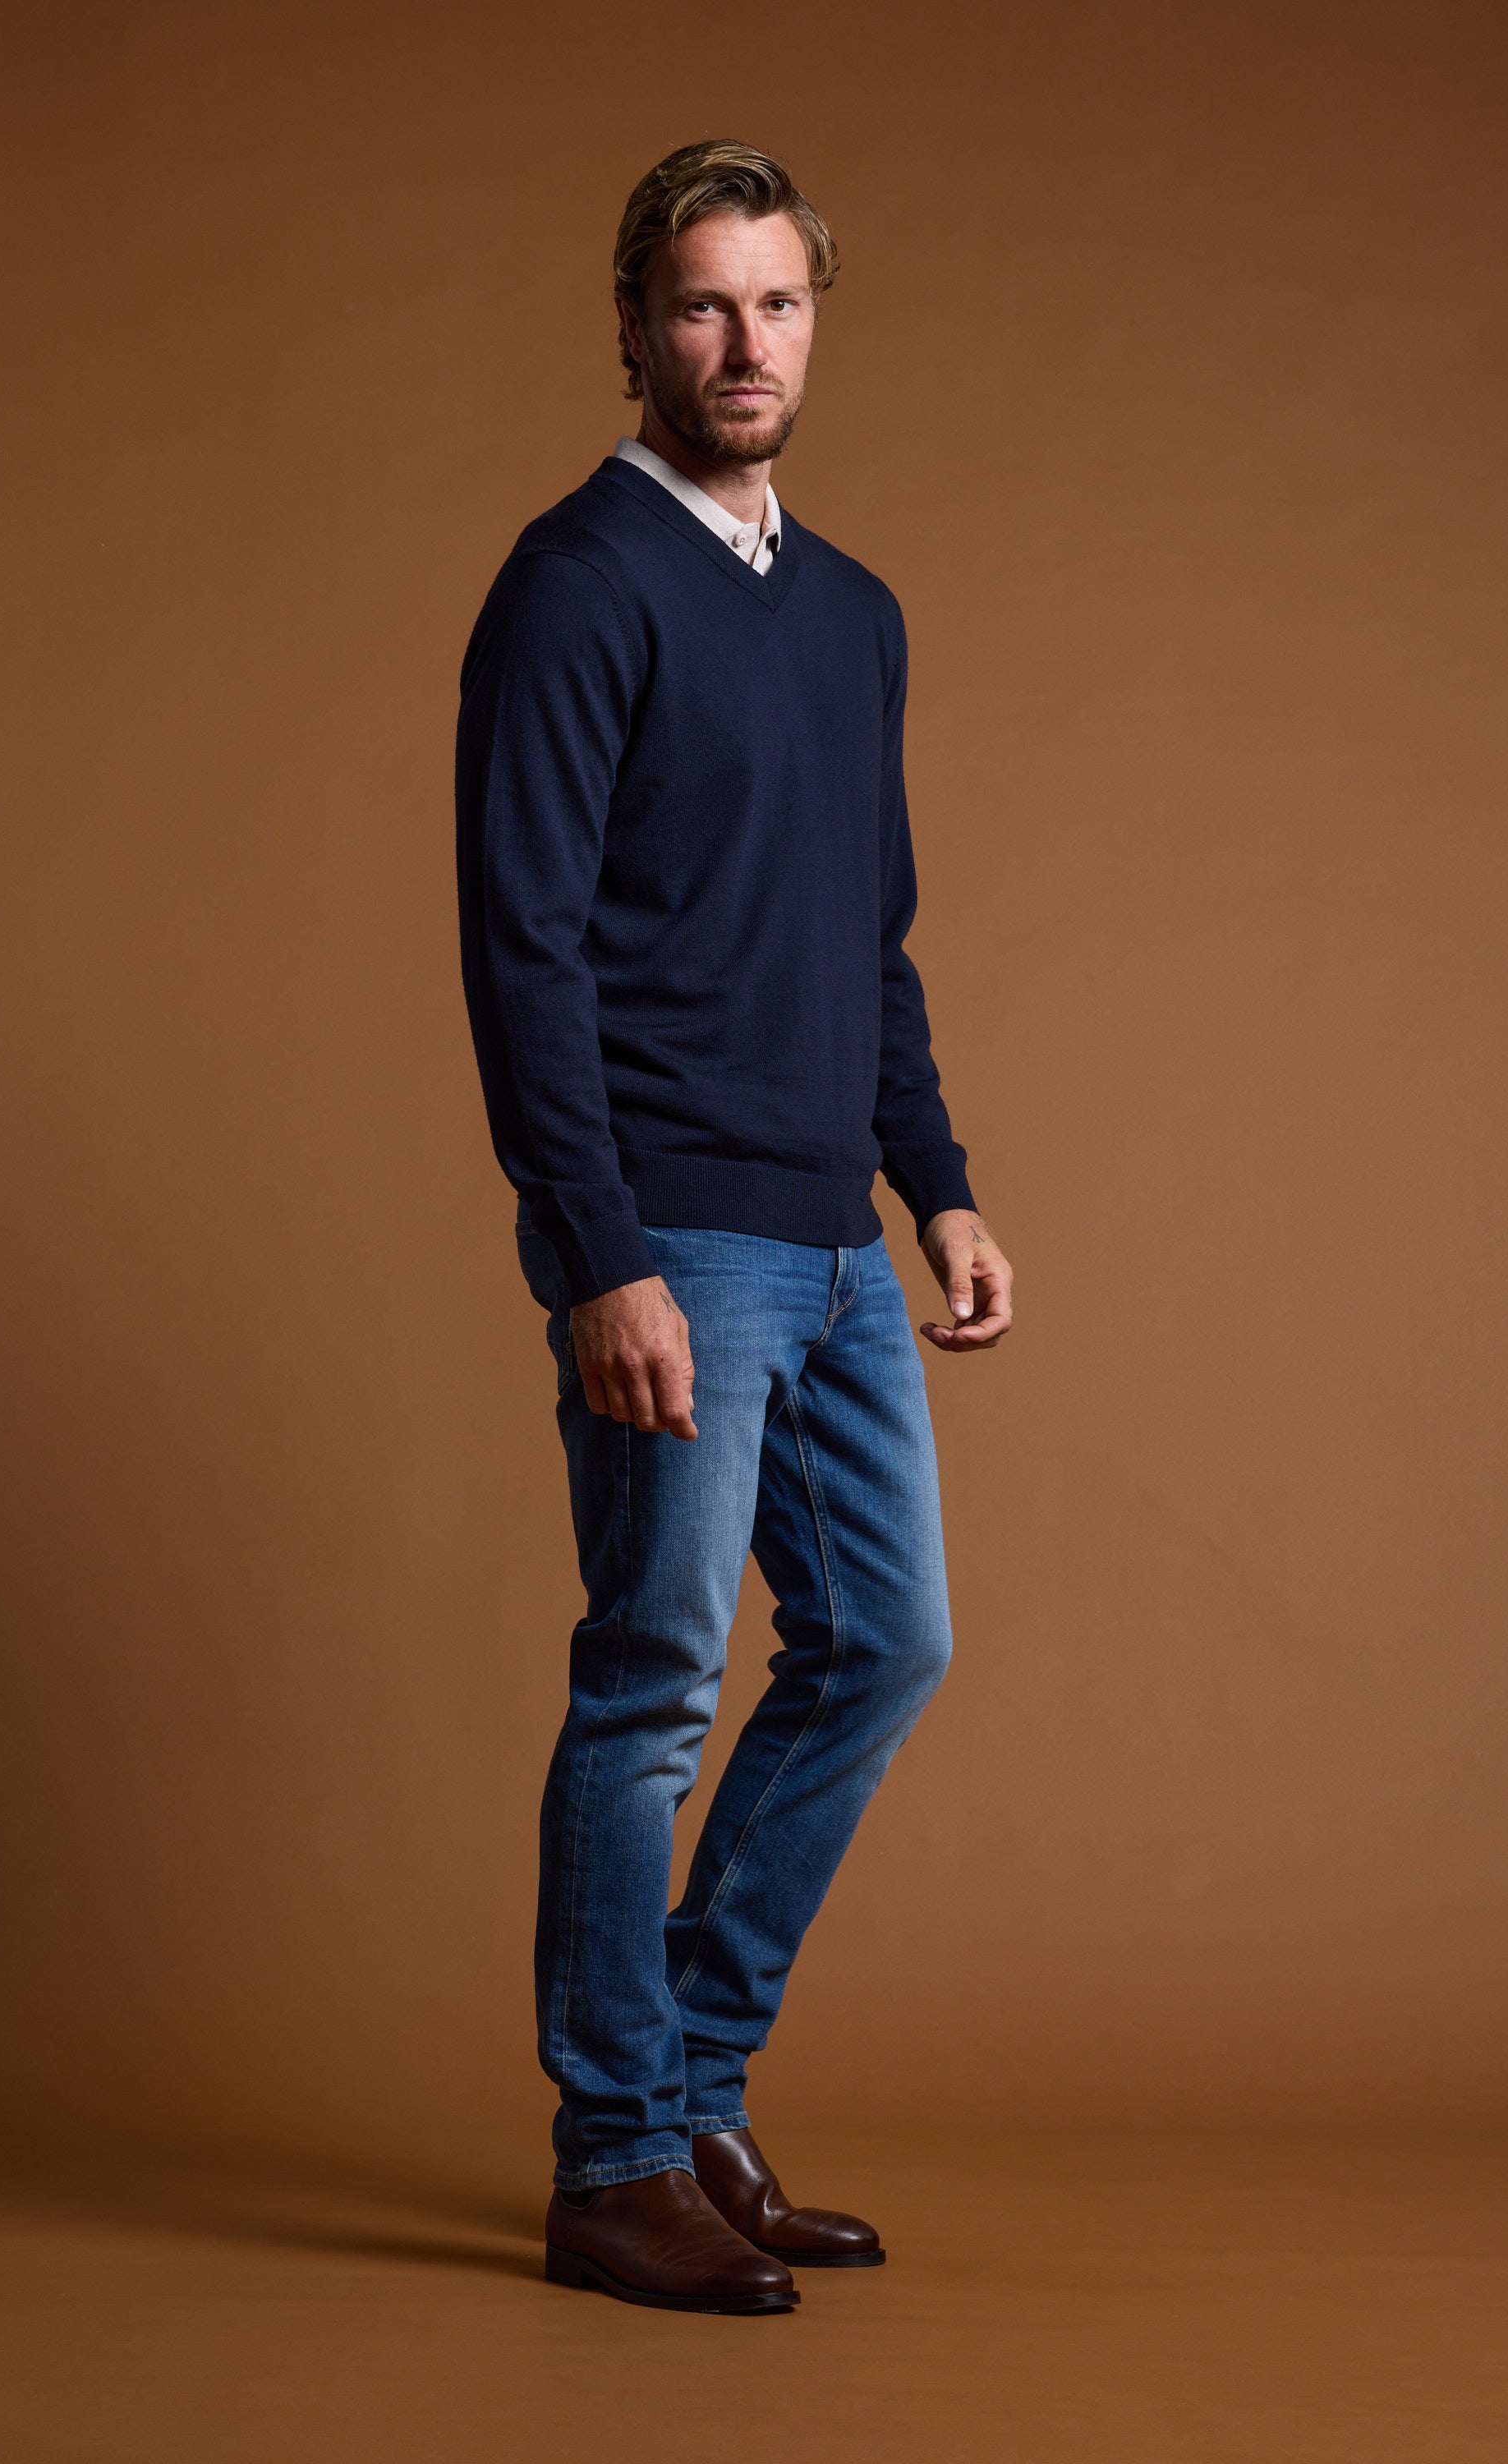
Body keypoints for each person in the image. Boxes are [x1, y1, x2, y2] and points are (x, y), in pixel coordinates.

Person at [455, 138, 1013, 2316]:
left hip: (833, 1238)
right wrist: (598, 1251)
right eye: (702, 303)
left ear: (813, 325)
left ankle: (689, 2087)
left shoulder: (853, 611)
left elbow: (868, 937)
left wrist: (936, 1185)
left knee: (885, 1642)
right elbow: (521, 948)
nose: (742, 343)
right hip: (670, 1232)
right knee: (655, 1683)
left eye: (776, 303)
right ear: (634, 326)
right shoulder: (577, 583)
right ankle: (614, 2161)